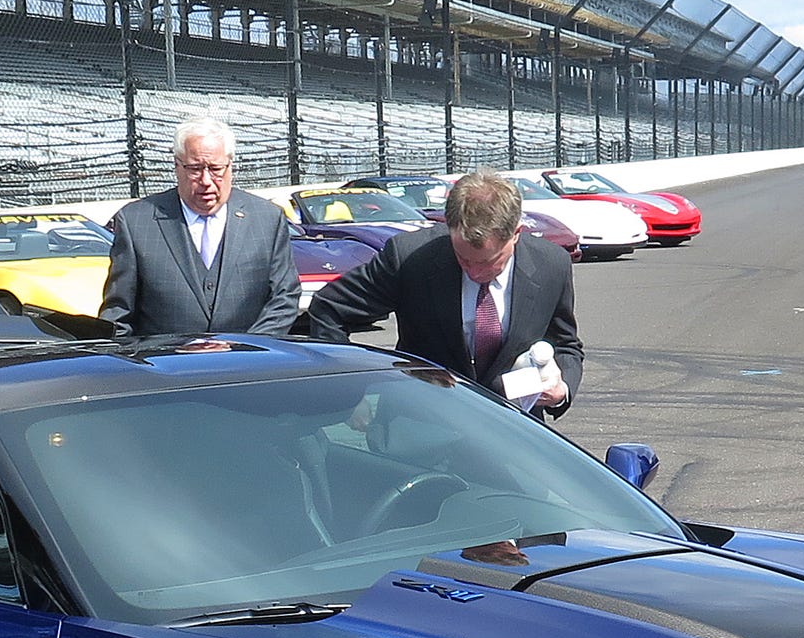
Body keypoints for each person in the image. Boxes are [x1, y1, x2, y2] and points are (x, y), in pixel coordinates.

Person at [298, 169, 582, 414]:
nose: (474, 272)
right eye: (463, 258)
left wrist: (561, 389)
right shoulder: (410, 258)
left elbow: (566, 344)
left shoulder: (551, 265)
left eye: (488, 262)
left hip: (513, 430)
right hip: (422, 422)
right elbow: (330, 308)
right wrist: (348, 391)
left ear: (516, 233)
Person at [100, 113, 300, 339]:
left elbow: (284, 297)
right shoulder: (136, 222)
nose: (206, 181)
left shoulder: (267, 219)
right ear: (177, 166)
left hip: (249, 365)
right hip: (168, 367)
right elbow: (119, 316)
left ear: (230, 166)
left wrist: (249, 348)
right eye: (195, 169)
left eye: (215, 169)